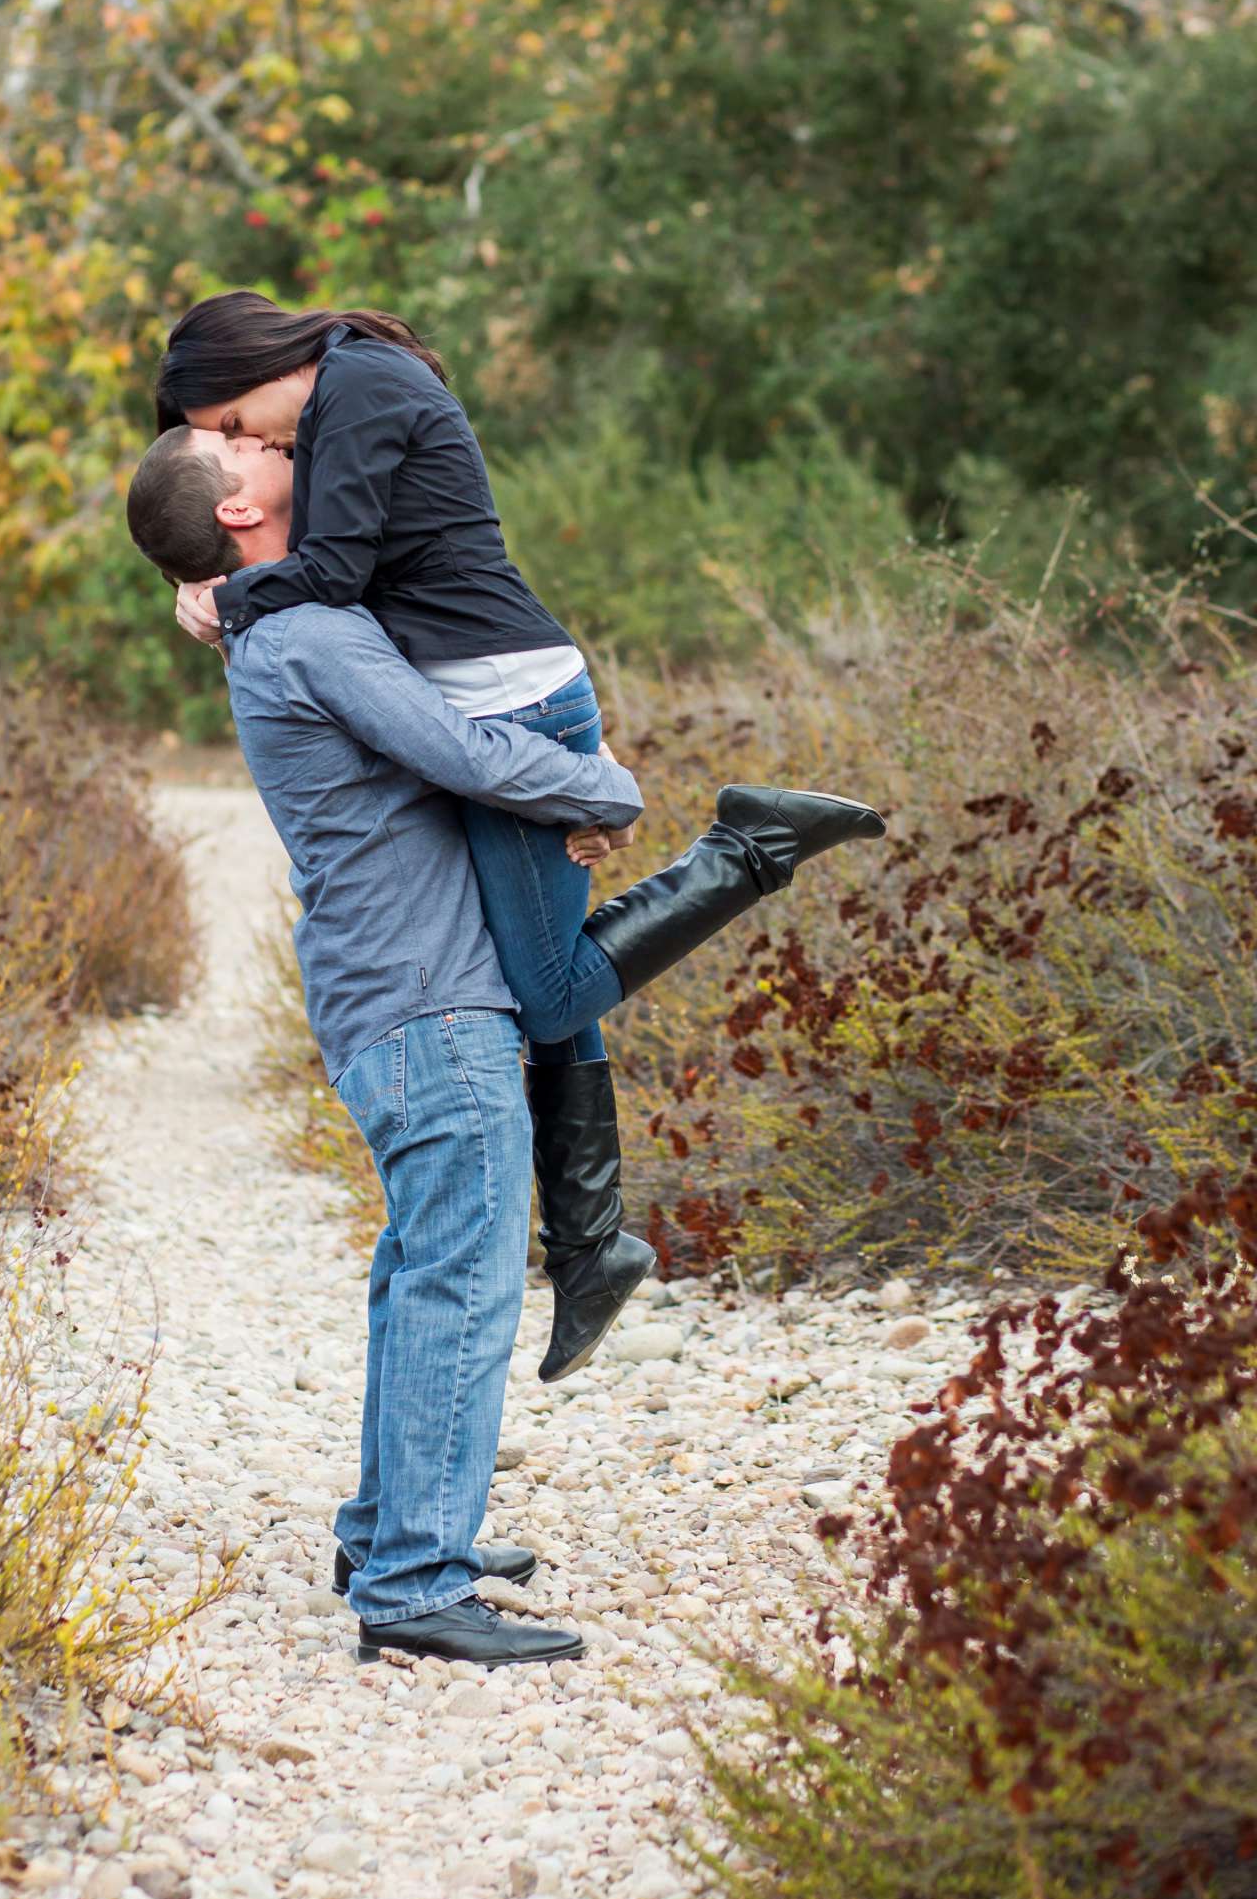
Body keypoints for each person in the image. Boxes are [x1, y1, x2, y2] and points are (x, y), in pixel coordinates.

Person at [124, 424, 884, 1668]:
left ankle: (386, 1532)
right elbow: (459, 749)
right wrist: (601, 791)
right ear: (242, 516)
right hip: (425, 1000)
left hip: (397, 990)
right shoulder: (313, 633)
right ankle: (414, 1582)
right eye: (240, 446)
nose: (271, 444)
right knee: (460, 1282)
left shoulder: (285, 616)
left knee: (420, 1265)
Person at [150, 292, 721, 1385]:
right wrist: (196, 567)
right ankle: (592, 1247)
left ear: (249, 366)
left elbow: (336, 575)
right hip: (470, 708)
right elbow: (240, 523)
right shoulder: (319, 414)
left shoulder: (359, 387)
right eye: (223, 440)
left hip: (507, 704)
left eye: (224, 423)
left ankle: (742, 854)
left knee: (549, 992)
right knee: (540, 978)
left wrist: (229, 595)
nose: (236, 445)